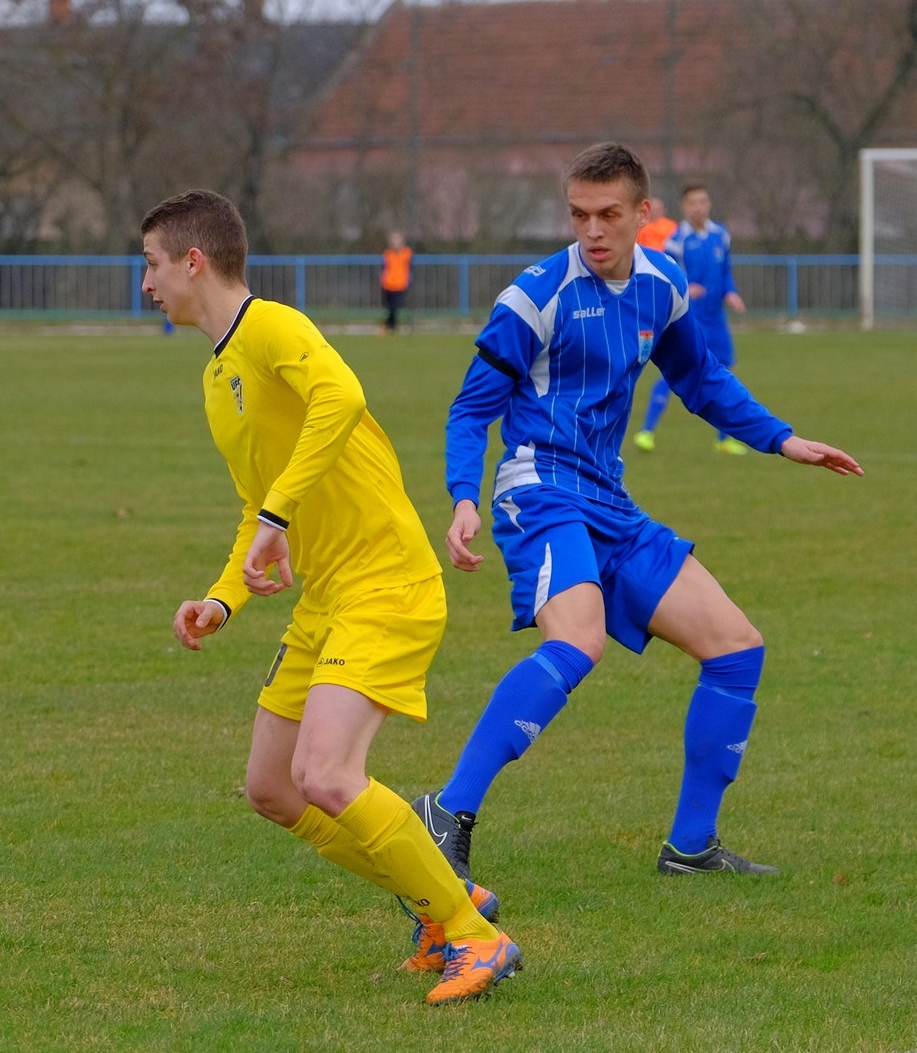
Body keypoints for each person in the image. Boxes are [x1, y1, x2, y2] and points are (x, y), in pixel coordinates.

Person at [413, 143, 859, 886]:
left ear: (643, 214)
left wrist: (781, 439)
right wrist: (463, 496)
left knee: (736, 647)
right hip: (540, 490)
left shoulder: (662, 285)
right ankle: (448, 809)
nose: (592, 230)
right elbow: (471, 410)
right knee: (578, 641)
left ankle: (691, 847)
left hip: (610, 502)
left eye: (608, 214)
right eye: (578, 215)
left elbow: (700, 379)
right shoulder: (534, 297)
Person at [144, 189, 521, 1005]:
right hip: (327, 596)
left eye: (152, 264)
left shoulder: (271, 326)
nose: (146, 284)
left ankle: (473, 934)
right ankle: (444, 900)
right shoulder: (218, 376)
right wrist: (223, 599)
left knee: (326, 773)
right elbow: (258, 505)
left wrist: (277, 516)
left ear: (193, 261)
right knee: (273, 788)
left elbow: (341, 398)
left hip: (387, 582)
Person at [633, 184, 747, 453]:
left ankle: (724, 439)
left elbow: (725, 271)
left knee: (724, 372)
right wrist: (685, 285)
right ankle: (646, 432)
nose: (698, 207)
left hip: (716, 318)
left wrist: (730, 291)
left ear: (709, 204)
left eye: (702, 201)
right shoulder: (677, 240)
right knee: (678, 371)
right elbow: (666, 273)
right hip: (690, 317)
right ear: (684, 207)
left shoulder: (721, 235)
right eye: (693, 203)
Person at [379, 231, 413, 334]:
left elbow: (409, 267)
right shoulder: (387, 253)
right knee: (390, 308)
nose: (395, 243)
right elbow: (384, 268)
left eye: (397, 240)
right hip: (388, 284)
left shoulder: (406, 253)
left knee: (395, 307)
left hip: (400, 285)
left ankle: (388, 326)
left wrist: (408, 279)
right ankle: (391, 327)